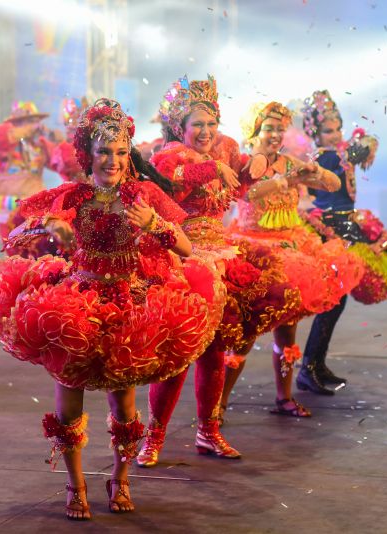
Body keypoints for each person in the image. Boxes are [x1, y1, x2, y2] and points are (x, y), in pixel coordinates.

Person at [0, 99, 221, 520]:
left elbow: (186, 248)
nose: (113, 161)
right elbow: (13, 236)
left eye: (121, 152)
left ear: (130, 155)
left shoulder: (144, 194)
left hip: (129, 309)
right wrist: (46, 226)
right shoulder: (74, 195)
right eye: (104, 152)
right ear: (88, 155)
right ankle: (75, 487)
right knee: (68, 407)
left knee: (125, 409)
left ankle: (120, 479)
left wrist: (154, 225)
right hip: (75, 305)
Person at [137, 76, 294, 467]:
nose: (206, 132)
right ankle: (153, 437)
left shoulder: (227, 147)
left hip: (222, 253)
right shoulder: (168, 154)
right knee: (179, 351)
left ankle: (209, 431)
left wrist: (256, 166)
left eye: (211, 124)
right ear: (180, 128)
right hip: (184, 254)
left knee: (214, 349)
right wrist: (209, 170)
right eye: (197, 126)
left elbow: (240, 186)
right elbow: (169, 191)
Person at [219, 101, 362, 418]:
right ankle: (219, 403)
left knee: (287, 332)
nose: (275, 134)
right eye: (269, 128)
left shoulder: (287, 162)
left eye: (279, 129)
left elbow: (334, 185)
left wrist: (317, 172)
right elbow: (248, 194)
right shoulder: (248, 163)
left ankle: (283, 398)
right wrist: (289, 179)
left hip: (291, 252)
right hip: (253, 255)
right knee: (244, 337)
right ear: (254, 131)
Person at [299, 90, 387, 394]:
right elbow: (362, 149)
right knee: (332, 302)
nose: (335, 134)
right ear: (315, 133)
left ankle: (315, 363)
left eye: (337, 128)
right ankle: (308, 367)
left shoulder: (329, 155)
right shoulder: (325, 158)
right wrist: (361, 141)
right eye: (328, 130)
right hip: (332, 230)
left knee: (336, 303)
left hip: (341, 225)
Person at [0, 101, 58, 241]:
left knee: (35, 250)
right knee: (11, 249)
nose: (35, 125)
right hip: (7, 208)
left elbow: (63, 162)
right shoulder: (4, 141)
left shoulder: (40, 146)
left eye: (36, 121)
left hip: (33, 208)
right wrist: (26, 129)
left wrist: (58, 141)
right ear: (16, 123)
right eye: (30, 121)